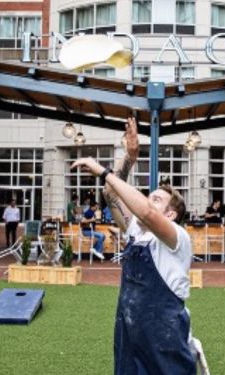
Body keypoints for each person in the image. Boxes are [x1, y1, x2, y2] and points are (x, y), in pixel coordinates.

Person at [72, 117, 198, 374]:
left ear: (171, 214)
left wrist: (103, 170)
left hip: (165, 333)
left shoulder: (177, 236)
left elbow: (148, 214)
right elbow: (110, 195)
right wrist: (128, 158)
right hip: (130, 330)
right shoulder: (135, 232)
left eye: (157, 200)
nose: (149, 202)